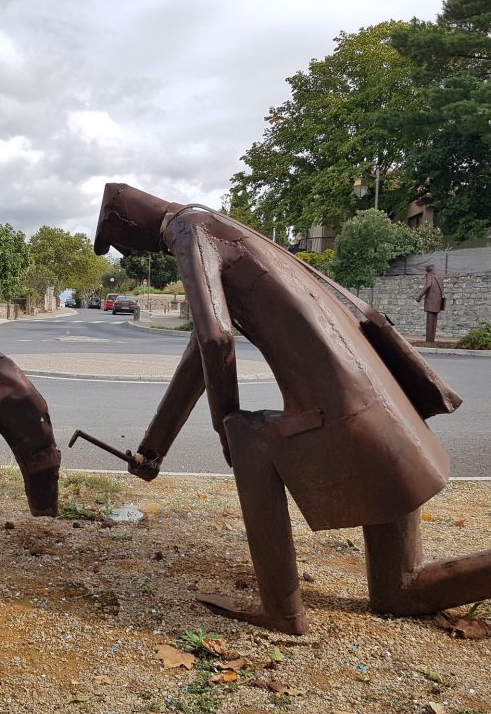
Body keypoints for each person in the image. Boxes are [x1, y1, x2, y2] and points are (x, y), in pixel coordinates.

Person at [91, 182, 489, 634]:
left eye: (121, 245)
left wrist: (226, 426)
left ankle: (283, 610)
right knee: (402, 590)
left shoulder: (187, 228)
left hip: (345, 418)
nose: (128, 255)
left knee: (246, 435)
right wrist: (153, 447)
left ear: (127, 223)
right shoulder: (232, 231)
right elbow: (200, 355)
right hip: (388, 413)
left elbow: (215, 337)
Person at [416, 264, 445, 343]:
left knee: (429, 322)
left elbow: (428, 285)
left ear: (428, 270)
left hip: (430, 302)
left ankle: (428, 341)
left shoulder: (429, 276)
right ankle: (432, 340)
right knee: (434, 323)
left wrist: (419, 296)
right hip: (437, 302)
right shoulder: (440, 277)